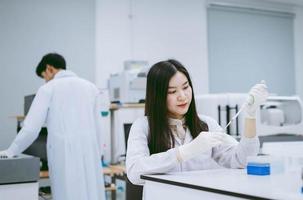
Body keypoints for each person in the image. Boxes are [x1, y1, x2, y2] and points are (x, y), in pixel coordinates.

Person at [126, 59, 268, 185]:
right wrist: (184, 152)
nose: (182, 96)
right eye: (172, 91)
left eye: (186, 87)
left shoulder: (207, 124)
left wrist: (251, 115)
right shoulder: (143, 126)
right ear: (157, 95)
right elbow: (134, 172)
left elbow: (242, 160)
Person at [0, 53, 105, 200]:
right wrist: (98, 153)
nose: (45, 80)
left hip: (63, 154)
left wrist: (11, 151)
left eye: (44, 76)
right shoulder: (91, 88)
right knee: (90, 193)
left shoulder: (48, 88)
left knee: (67, 193)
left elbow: (31, 128)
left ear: (49, 69)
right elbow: (99, 127)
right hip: (90, 154)